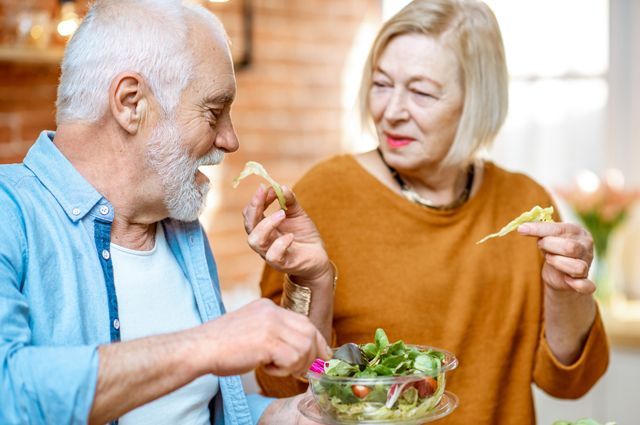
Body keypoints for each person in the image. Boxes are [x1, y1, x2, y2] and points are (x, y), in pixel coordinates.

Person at [245, 0, 609, 423]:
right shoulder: (324, 195)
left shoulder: (523, 203)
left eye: (420, 92)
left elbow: (570, 383)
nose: (392, 112)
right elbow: (281, 390)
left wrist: (566, 290)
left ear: (476, 100)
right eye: (382, 84)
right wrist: (312, 283)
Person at [0, 1, 336, 424]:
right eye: (214, 112)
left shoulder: (181, 231)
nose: (231, 141)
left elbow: (191, 411)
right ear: (130, 103)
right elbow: (8, 391)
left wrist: (281, 415)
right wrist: (208, 343)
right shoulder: (9, 213)